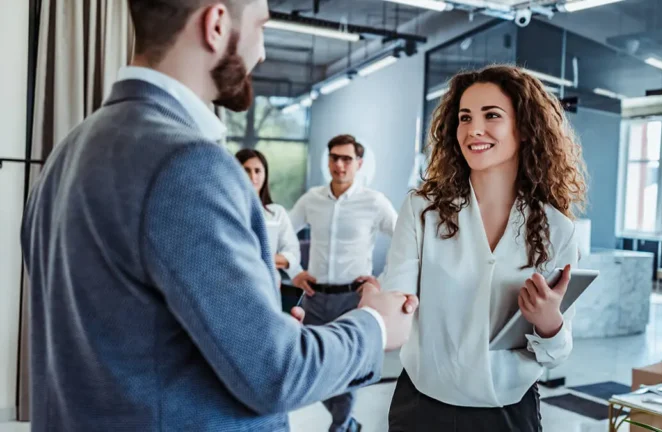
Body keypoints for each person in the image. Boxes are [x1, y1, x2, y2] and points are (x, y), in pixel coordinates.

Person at [19, 1, 418, 431]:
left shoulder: (67, 152)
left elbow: (127, 339)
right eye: (261, 28)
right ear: (216, 24)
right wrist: (375, 325)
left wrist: (253, 324)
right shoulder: (187, 164)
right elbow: (276, 373)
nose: (261, 52)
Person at [383, 65, 588, 431]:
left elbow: (556, 354)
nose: (474, 129)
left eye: (491, 115)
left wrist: (549, 323)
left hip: (507, 414)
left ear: (524, 128)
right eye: (465, 118)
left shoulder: (558, 229)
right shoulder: (422, 209)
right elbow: (396, 304)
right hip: (421, 408)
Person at [289, 134, 398, 432]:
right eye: (334, 157)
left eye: (347, 159)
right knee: (309, 367)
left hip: (351, 300)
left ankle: (339, 427)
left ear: (359, 163)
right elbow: (284, 234)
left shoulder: (373, 202)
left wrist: (381, 282)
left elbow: (405, 240)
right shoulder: (311, 199)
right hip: (314, 297)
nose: (339, 164)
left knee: (348, 370)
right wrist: (295, 271)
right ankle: (347, 423)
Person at [235, 149, 301, 282]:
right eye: (246, 170)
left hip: (268, 286)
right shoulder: (227, 211)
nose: (252, 177)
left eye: (257, 171)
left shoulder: (277, 213)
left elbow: (293, 255)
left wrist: (261, 257)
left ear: (265, 175)